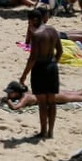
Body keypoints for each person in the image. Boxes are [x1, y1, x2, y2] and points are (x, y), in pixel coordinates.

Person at [20, 8, 62, 139]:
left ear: (34, 20)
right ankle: (51, 132)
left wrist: (24, 75)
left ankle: (43, 131)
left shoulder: (37, 35)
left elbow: (33, 58)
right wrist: (53, 63)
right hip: (52, 66)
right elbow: (60, 51)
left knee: (42, 103)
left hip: (40, 68)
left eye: (29, 21)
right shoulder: (53, 30)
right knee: (52, 101)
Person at [0, 81, 82, 110]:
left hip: (56, 97)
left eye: (10, 93)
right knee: (78, 92)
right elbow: (13, 98)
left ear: (17, 92)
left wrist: (7, 101)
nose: (8, 95)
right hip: (51, 91)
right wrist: (5, 98)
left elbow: (15, 107)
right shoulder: (25, 92)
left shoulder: (25, 98)